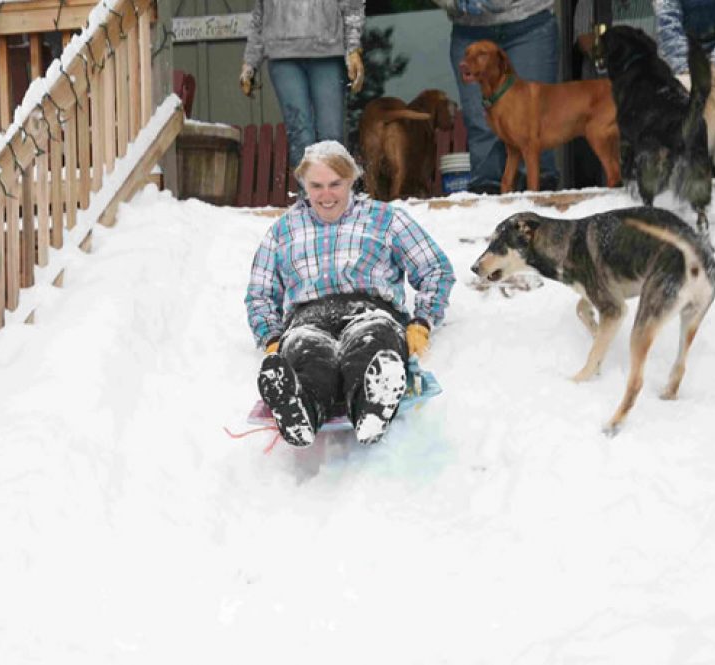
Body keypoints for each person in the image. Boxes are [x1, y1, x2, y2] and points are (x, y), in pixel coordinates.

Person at [245, 141, 456, 448]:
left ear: (352, 180)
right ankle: (299, 408)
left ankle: (371, 406)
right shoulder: (284, 231)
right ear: (304, 184)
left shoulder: (385, 219)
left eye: (335, 184)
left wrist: (422, 321)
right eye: (316, 186)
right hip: (307, 319)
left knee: (370, 344)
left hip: (371, 311)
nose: (326, 195)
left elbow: (436, 269)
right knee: (308, 354)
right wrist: (272, 337)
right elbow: (260, 294)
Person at [435, 0, 560, 194]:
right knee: (482, 127)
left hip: (529, 22)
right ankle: (488, 206)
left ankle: (540, 210)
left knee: (534, 124)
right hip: (469, 29)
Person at [239, 1, 366, 178]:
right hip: (282, 55)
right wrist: (250, 62)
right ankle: (307, 197)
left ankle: (334, 198)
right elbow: (260, 16)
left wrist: (353, 48)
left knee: (331, 135)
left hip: (327, 52)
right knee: (300, 134)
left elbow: (352, 5)